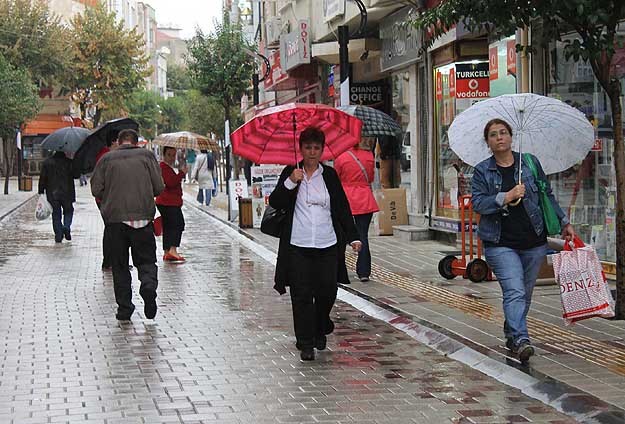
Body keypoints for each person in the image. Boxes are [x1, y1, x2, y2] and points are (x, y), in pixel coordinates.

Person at [471, 118, 575, 362]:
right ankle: (521, 339)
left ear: (511, 136)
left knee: (524, 293)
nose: (500, 137)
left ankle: (512, 328)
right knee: (515, 290)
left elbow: (546, 195)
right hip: (500, 243)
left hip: (534, 241)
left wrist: (564, 223)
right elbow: (478, 203)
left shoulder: (528, 163)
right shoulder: (482, 170)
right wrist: (505, 196)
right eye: (494, 134)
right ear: (488, 142)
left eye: (504, 132)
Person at [269, 127, 362, 361]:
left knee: (327, 290)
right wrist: (291, 182)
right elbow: (277, 201)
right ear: (301, 148)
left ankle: (321, 326)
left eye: (316, 148)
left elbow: (341, 207)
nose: (312, 152)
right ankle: (306, 343)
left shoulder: (329, 176)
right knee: (301, 295)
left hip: (327, 243)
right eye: (308, 147)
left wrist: (353, 236)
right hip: (298, 245)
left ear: (322, 150)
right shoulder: (291, 172)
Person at [91, 129, 164, 320]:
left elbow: (95, 189)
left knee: (120, 266)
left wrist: (111, 195)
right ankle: (148, 286)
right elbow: (159, 187)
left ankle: (124, 308)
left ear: (119, 141)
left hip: (115, 222)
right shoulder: (147, 157)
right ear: (135, 141)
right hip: (143, 220)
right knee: (147, 260)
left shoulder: (106, 159)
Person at [335, 138, 379, 282]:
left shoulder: (341, 158)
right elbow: (371, 178)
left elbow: (337, 179)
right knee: (363, 236)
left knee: (341, 236)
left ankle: (339, 271)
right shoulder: (369, 156)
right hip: (365, 199)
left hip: (347, 200)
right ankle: (364, 272)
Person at [156, 146, 187, 262]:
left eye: (173, 155)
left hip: (167, 202)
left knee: (168, 227)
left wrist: (179, 173)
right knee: (177, 224)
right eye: (169, 155)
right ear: (164, 155)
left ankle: (167, 251)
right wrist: (181, 174)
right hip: (169, 202)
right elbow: (171, 182)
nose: (172, 158)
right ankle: (172, 250)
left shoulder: (167, 167)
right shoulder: (163, 167)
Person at [38, 151, 75, 243]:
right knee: (68, 211)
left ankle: (58, 235)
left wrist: (41, 190)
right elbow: (76, 175)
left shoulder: (47, 163)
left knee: (56, 214)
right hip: (67, 192)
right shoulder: (69, 162)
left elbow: (43, 177)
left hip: (52, 193)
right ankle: (66, 226)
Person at [95, 138, 120, 270]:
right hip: (106, 200)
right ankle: (109, 261)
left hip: (108, 199)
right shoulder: (105, 157)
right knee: (111, 229)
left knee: (112, 229)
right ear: (113, 141)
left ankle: (112, 260)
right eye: (118, 141)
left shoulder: (108, 155)